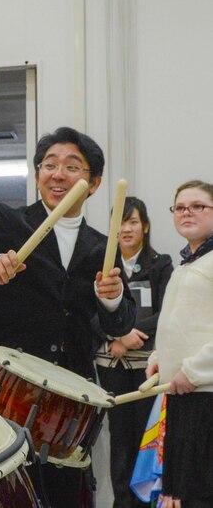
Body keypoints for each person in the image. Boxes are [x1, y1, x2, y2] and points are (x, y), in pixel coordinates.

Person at [0, 127, 135, 508]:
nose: (58, 174)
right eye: (50, 165)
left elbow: (120, 324)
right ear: (38, 173)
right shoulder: (7, 222)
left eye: (72, 166)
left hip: (67, 397)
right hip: (4, 385)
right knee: (1, 492)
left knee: (61, 493)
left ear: (92, 183)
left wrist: (111, 300)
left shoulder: (101, 246)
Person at [92, 197, 173, 508]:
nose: (126, 229)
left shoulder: (161, 264)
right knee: (119, 436)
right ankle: (122, 502)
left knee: (146, 434)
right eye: (121, 223)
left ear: (146, 226)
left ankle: (145, 502)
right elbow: (88, 312)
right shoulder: (100, 265)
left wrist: (128, 335)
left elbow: (167, 311)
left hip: (147, 366)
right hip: (111, 362)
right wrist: (116, 334)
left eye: (133, 222)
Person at [146, 180, 213, 508]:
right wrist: (160, 357)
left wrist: (194, 370)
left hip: (205, 396)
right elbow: (176, 322)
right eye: (180, 207)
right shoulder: (186, 265)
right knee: (178, 496)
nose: (187, 212)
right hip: (181, 394)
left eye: (198, 206)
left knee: (199, 495)